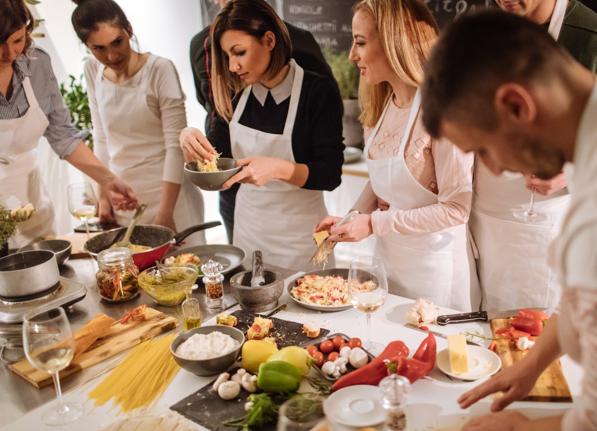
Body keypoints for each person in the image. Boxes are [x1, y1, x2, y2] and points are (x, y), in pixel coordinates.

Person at [422, 10, 597, 431]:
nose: (491, 169)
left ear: (516, 105)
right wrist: (531, 364)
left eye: (483, 149)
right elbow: (586, 298)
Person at [469, 0, 597, 314]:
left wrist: (574, 171)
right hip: (484, 224)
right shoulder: (486, 33)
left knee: (536, 341)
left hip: (549, 230)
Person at [314, 0, 480, 311]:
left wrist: (374, 224)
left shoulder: (444, 109)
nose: (352, 55)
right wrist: (350, 220)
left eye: (360, 42)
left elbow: (457, 209)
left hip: (436, 272)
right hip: (389, 264)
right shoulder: (381, 107)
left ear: (395, 42)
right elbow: (380, 182)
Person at [180, 0, 344, 271]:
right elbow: (219, 158)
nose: (233, 66)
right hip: (250, 230)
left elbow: (330, 174)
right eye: (227, 55)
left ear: (269, 40)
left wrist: (279, 168)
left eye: (239, 52)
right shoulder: (236, 93)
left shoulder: (317, 91)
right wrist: (189, 138)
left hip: (303, 235)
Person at [0, 0, 138, 249]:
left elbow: (62, 134)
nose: (9, 54)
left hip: (31, 204)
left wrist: (109, 181)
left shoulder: (37, 63)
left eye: (17, 40)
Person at [72, 0, 205, 242]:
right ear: (87, 47)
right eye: (98, 48)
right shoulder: (92, 70)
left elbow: (174, 146)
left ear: (129, 30)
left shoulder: (160, 70)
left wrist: (166, 214)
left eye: (117, 42)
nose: (111, 55)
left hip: (171, 199)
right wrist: (103, 195)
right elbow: (101, 136)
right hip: (125, 200)